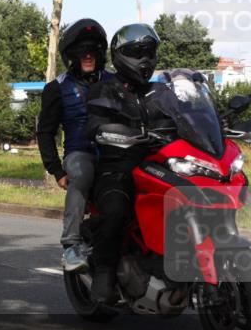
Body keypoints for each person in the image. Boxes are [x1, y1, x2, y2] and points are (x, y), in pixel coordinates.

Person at [84, 23, 169, 301]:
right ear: (120, 56)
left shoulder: (163, 92)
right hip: (118, 168)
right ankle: (104, 272)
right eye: (136, 52)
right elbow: (95, 124)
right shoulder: (104, 90)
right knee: (117, 210)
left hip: (161, 165)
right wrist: (112, 131)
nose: (145, 59)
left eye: (149, 51)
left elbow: (189, 117)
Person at [36, 19, 113, 272]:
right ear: (72, 55)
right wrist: (56, 171)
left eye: (92, 49)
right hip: (81, 154)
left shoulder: (116, 83)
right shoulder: (57, 88)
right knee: (82, 172)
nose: (88, 54)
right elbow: (45, 132)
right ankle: (70, 245)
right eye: (82, 50)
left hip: (116, 153)